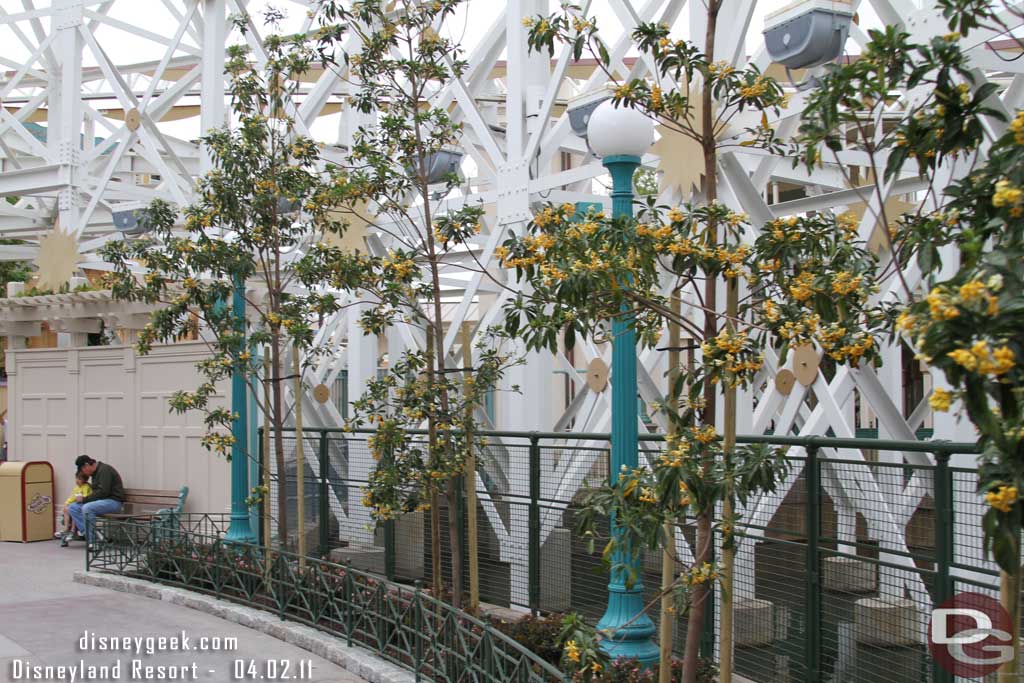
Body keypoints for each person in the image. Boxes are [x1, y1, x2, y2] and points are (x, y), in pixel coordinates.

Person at [66, 455, 125, 549]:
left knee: (87, 507)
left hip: (113, 502)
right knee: (73, 507)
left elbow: (103, 492)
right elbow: (97, 493)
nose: (84, 474)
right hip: (101, 502)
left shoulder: (104, 470)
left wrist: (84, 499)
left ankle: (93, 541)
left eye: (83, 470)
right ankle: (96, 535)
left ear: (87, 465)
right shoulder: (95, 473)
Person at [56, 470, 92, 543]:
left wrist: (79, 499)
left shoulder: (86, 486)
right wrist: (66, 503)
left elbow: (84, 497)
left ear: (84, 480)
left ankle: (72, 530)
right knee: (66, 509)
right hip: (76, 504)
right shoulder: (76, 488)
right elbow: (72, 497)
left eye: (80, 479)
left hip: (84, 505)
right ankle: (66, 529)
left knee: (74, 510)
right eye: (76, 478)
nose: (77, 481)